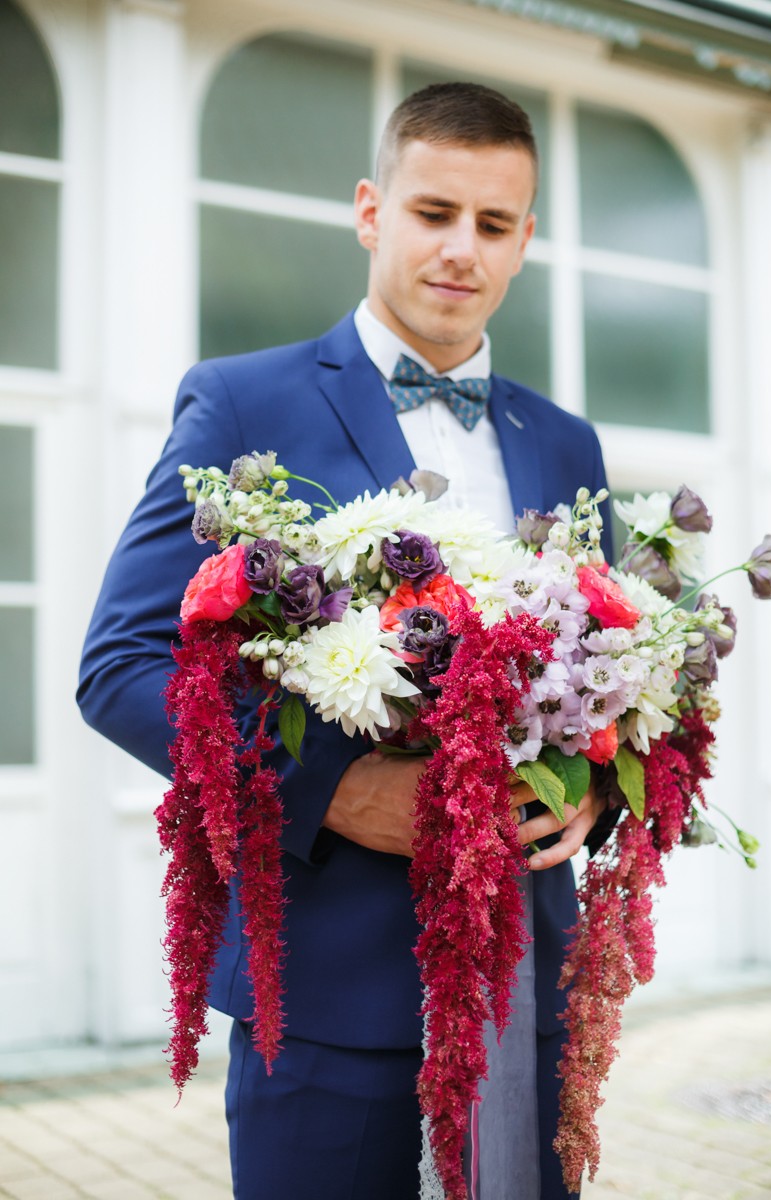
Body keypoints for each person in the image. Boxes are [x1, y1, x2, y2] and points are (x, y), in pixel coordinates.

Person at [78, 82, 612, 1200]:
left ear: (525, 242)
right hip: (322, 988)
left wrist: (593, 794)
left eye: (493, 223)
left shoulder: (566, 442)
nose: (459, 248)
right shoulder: (240, 403)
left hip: (525, 977)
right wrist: (334, 788)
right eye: (432, 211)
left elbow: (604, 679)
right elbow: (122, 666)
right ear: (370, 210)